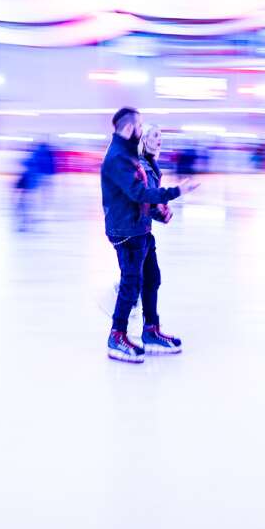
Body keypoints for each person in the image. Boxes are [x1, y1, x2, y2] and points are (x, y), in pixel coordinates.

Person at [100, 108, 196, 363]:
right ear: (132, 130)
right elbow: (139, 194)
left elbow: (139, 197)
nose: (152, 136)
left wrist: (156, 212)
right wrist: (176, 191)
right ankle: (116, 335)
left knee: (151, 278)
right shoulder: (121, 158)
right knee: (131, 284)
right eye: (144, 129)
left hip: (139, 227)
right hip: (126, 230)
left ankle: (150, 330)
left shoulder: (128, 155)